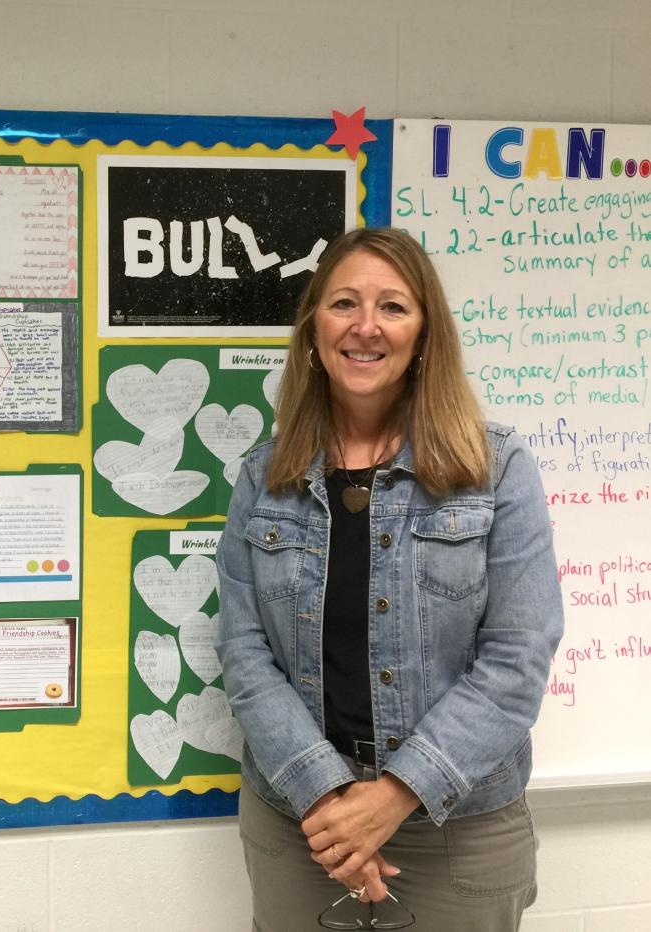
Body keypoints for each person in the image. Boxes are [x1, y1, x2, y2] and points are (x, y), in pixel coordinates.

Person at [216, 227, 564, 930]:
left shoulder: (495, 468)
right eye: (344, 303)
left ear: (425, 331)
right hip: (302, 826)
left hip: (458, 828)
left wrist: (394, 796)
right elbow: (245, 656)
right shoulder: (264, 475)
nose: (366, 326)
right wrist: (328, 800)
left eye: (393, 307)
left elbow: (517, 660)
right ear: (314, 330)